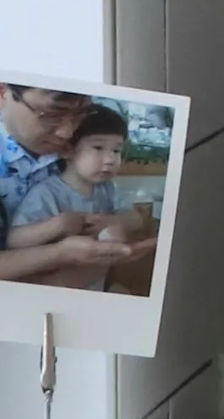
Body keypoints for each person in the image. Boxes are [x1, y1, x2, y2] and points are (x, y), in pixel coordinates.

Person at [7, 109, 153, 293]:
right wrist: (58, 224)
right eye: (98, 148)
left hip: (99, 283)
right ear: (67, 150)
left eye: (116, 150)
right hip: (55, 288)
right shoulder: (47, 193)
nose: (110, 159)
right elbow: (15, 240)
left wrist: (115, 221)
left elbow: (136, 219)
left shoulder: (108, 189)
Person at [0, 83, 125, 294]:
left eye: (80, 114)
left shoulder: (77, 158)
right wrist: (60, 253)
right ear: (3, 94)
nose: (67, 132)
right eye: (51, 114)